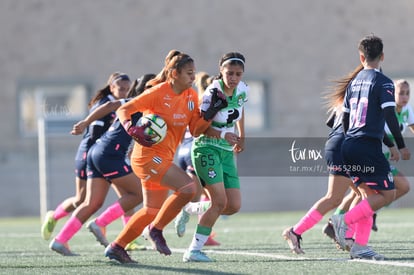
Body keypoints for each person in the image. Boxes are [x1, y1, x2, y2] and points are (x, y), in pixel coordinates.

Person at [104, 51, 228, 264]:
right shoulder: (158, 92)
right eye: (189, 73)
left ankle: (117, 247)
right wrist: (131, 129)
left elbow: (196, 130)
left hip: (164, 159)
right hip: (146, 157)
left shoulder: (191, 96)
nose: (192, 77)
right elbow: (125, 109)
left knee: (151, 209)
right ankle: (156, 230)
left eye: (194, 73)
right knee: (188, 188)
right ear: (174, 73)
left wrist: (210, 113)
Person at [48, 74, 156, 256]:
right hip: (109, 154)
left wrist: (84, 122)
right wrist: (85, 123)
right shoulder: (140, 101)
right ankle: (100, 223)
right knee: (138, 194)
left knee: (92, 202)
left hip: (98, 152)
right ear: (149, 88)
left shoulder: (142, 105)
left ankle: (60, 240)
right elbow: (109, 105)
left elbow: (113, 109)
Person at [331, 34, 410, 261]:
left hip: (349, 145)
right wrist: (400, 145)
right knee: (387, 194)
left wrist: (349, 141)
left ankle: (360, 247)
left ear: (361, 56)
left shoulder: (353, 82)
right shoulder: (383, 81)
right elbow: (389, 116)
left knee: (369, 195)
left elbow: (345, 120)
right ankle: (342, 220)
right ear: (382, 56)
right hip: (367, 147)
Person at [282, 65, 364, 254]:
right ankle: (341, 233)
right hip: (344, 147)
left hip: (336, 145)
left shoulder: (346, 96)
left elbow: (331, 122)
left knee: (357, 194)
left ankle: (338, 233)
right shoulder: (361, 97)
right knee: (352, 195)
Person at [41, 72, 131, 241]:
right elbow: (94, 133)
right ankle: (54, 217)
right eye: (121, 89)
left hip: (105, 156)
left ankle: (130, 238)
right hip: (90, 154)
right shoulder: (105, 105)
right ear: (112, 87)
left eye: (127, 90)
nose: (124, 92)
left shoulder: (120, 104)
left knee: (126, 193)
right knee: (81, 199)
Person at [182, 52, 248, 262]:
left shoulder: (243, 89)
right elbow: (196, 129)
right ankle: (193, 250)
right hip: (206, 148)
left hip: (226, 151)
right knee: (219, 202)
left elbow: (241, 108)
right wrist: (221, 134)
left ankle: (190, 208)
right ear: (221, 71)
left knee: (233, 205)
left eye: (238, 74)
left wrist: (243, 136)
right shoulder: (212, 93)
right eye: (230, 73)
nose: (234, 78)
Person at [174, 71, 220, 246]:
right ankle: (186, 212)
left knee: (206, 195)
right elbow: (208, 130)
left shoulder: (194, 102)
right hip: (198, 150)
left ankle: (204, 234)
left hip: (184, 150)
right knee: (218, 199)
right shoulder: (212, 104)